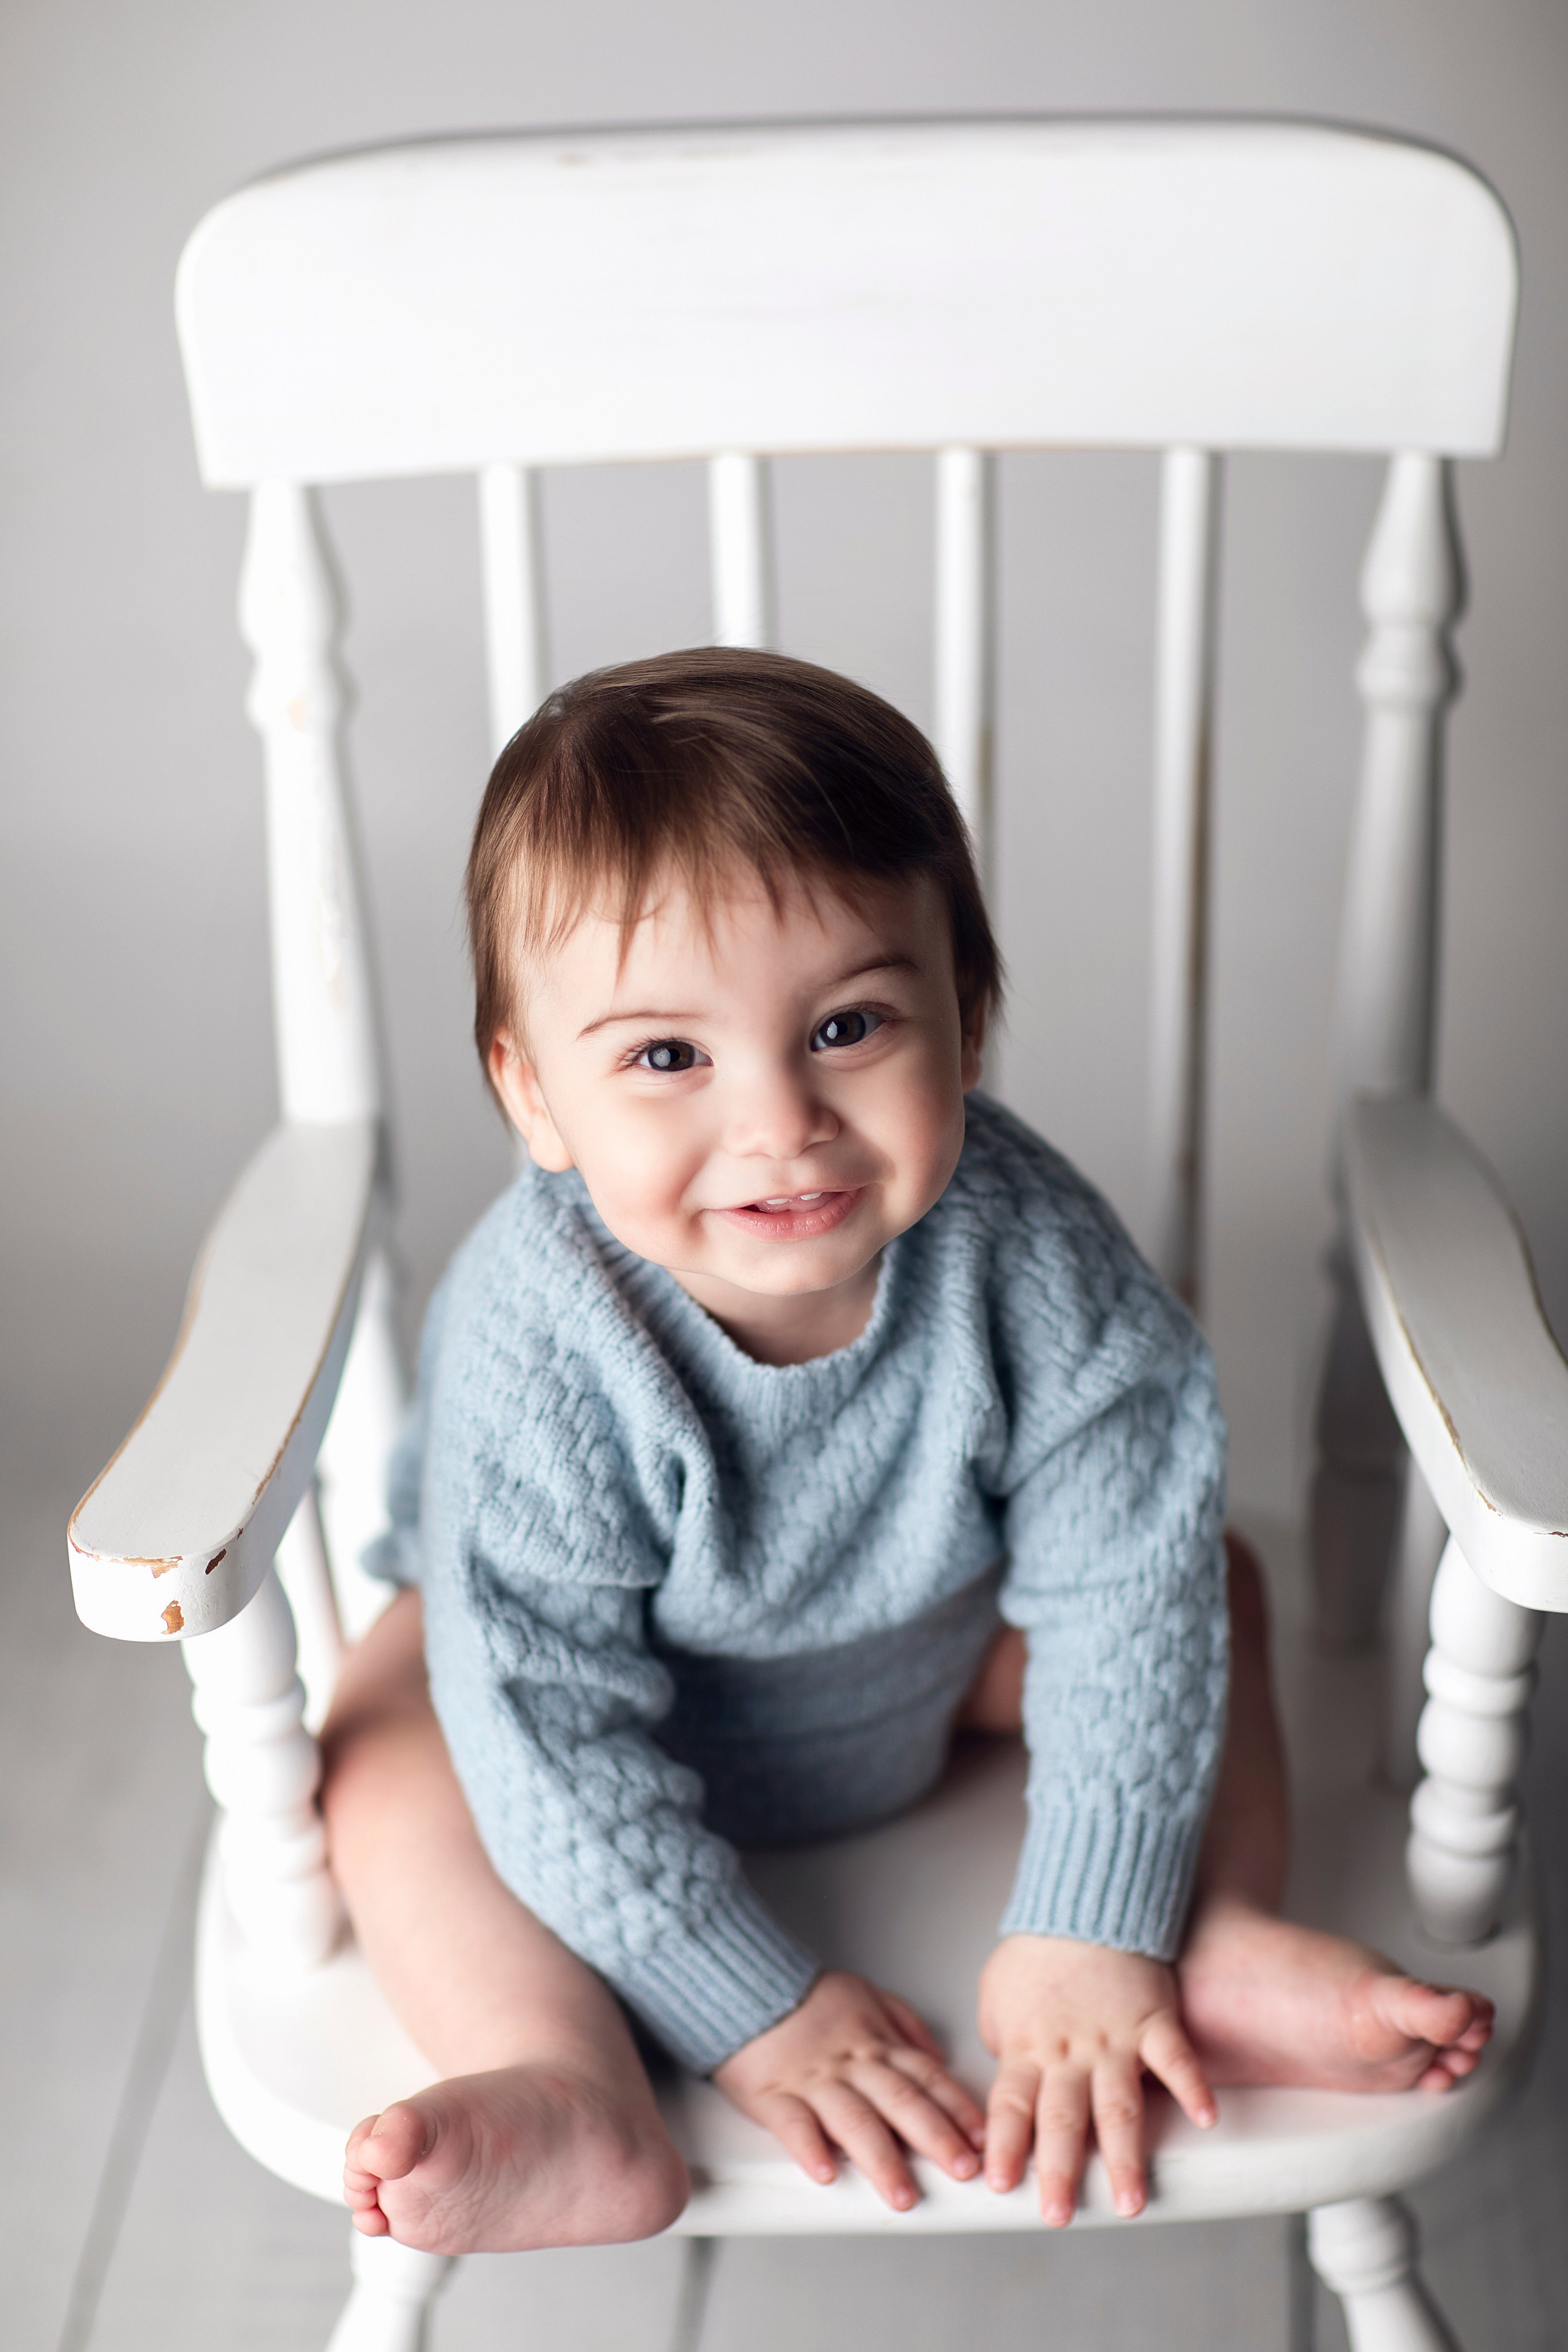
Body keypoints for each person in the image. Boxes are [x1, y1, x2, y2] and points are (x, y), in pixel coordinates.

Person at [320, 648, 1491, 2258]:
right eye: (668, 1057)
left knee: (1205, 1575)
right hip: (604, 1744)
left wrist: (1094, 1914)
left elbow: (1123, 1571)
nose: (779, 1122)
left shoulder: (1033, 1256)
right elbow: (539, 1715)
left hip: (946, 1674)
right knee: (388, 1743)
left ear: (968, 1015)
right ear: (534, 1093)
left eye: (851, 1025)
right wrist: (753, 2006)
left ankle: (1195, 1934)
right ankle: (574, 2074)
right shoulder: (539, 1342)